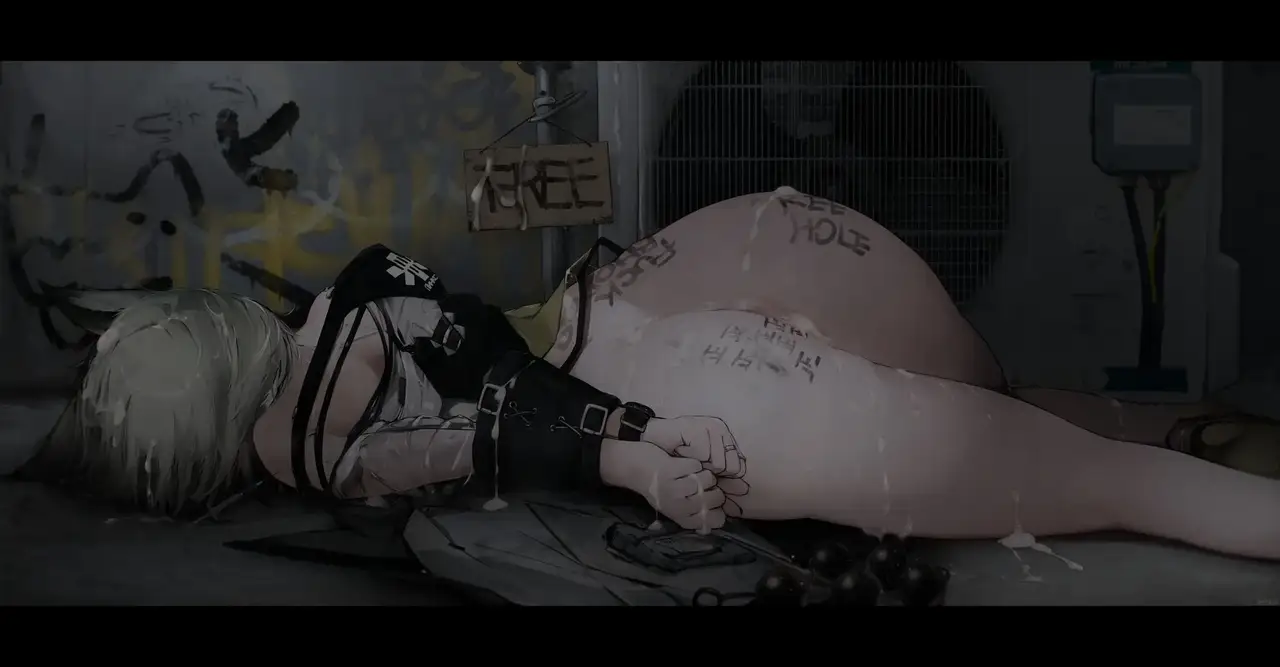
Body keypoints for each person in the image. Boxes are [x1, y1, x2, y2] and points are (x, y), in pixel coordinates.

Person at [16, 188, 1280, 563]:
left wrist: (629, 452)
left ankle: (1190, 451)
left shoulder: (300, 443)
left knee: (1113, 489)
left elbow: (493, 427)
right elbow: (485, 375)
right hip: (691, 264)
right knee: (1028, 413)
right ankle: (1193, 426)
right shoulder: (347, 295)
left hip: (701, 391)